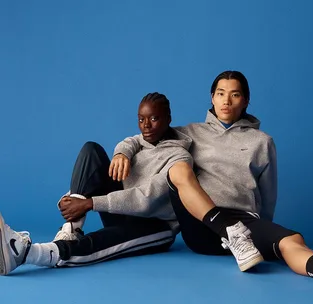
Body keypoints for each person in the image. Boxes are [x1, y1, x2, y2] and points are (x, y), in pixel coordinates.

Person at [115, 71, 313, 289]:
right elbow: (142, 137)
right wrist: (121, 152)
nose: (226, 101)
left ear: (245, 101)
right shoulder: (190, 132)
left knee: (290, 239)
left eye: (234, 94)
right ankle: (230, 233)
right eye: (220, 94)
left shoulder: (262, 142)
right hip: (201, 225)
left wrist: (265, 232)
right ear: (212, 98)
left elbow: (268, 194)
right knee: (177, 169)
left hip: (242, 225)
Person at [0, 92, 192, 275]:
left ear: (168, 118)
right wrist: (120, 153)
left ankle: (28, 253)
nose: (146, 126)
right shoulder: (143, 140)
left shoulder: (180, 157)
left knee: (105, 240)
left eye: (154, 119)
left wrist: (90, 203)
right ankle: (71, 230)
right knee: (91, 149)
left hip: (155, 225)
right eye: (141, 119)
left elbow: (146, 198)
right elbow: (131, 141)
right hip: (122, 209)